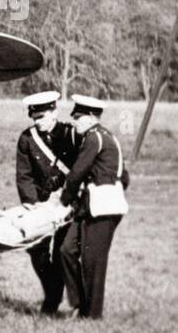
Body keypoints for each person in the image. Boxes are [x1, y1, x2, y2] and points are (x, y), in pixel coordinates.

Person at [58, 95, 129, 318]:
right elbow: (124, 176)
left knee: (93, 262)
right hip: (92, 204)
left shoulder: (94, 138)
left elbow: (76, 173)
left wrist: (63, 202)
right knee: (67, 250)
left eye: (78, 118)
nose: (75, 122)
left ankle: (92, 316)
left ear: (90, 117)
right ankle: (80, 304)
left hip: (102, 207)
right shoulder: (102, 137)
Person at [15, 90, 79, 314]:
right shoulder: (27, 139)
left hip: (67, 204)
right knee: (37, 250)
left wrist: (68, 198)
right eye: (34, 118)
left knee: (63, 250)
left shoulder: (71, 134)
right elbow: (24, 175)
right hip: (40, 204)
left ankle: (69, 302)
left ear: (54, 112)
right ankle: (52, 293)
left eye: (41, 116)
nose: (38, 122)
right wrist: (31, 203)